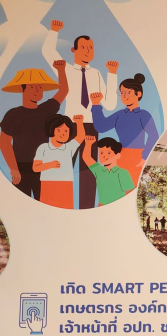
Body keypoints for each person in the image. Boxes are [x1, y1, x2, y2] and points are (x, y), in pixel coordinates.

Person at [42, 19, 120, 209]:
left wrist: (112, 74)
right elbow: (47, 52)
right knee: (63, 167)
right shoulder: (66, 69)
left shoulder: (97, 74)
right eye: (84, 47)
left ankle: (86, 210)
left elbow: (110, 104)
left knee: (88, 171)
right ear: (73, 50)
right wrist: (54, 31)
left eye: (91, 48)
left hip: (91, 126)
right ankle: (60, 206)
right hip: (69, 126)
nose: (87, 51)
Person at [0, 61, 69, 200]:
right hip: (21, 169)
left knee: (44, 203)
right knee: (21, 204)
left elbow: (63, 91)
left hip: (43, 167)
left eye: (40, 87)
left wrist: (61, 70)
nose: (37, 90)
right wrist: (13, 169)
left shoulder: (45, 110)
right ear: (23, 89)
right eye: (32, 87)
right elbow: (4, 141)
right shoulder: (14, 114)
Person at [89, 73, 158, 186]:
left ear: (138, 94)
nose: (125, 96)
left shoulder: (144, 115)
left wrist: (144, 158)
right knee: (120, 187)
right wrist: (96, 104)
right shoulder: (119, 115)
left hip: (137, 156)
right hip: (121, 156)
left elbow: (153, 136)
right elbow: (101, 127)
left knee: (132, 185)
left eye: (129, 92)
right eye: (122, 93)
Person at [33, 113, 85, 208]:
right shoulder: (43, 148)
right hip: (48, 184)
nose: (63, 133)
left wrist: (79, 122)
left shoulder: (69, 147)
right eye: (59, 130)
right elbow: (35, 168)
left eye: (66, 131)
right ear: (51, 130)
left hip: (66, 184)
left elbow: (80, 136)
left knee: (66, 208)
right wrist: (50, 165)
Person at [81, 135, 134, 206]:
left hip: (118, 207)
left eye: (109, 153)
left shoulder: (122, 173)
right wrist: (88, 144)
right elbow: (86, 157)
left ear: (118, 155)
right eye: (101, 153)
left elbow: (129, 194)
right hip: (101, 207)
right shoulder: (98, 170)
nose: (104, 156)